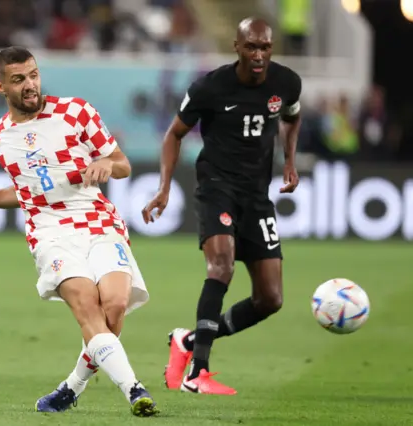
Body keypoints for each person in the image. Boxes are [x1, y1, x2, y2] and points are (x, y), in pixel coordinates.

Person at [0, 46, 158, 416]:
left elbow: (122, 164)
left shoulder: (76, 112)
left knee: (115, 306)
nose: (30, 85)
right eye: (19, 79)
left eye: (34, 75)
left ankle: (71, 387)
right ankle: (135, 390)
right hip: (50, 232)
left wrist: (105, 163)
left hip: (97, 218)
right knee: (87, 309)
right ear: (1, 88)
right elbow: (24, 192)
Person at [142, 17, 302, 395]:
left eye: (265, 47)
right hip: (217, 186)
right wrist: (164, 187)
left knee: (270, 299)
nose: (259, 55)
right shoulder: (210, 87)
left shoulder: (287, 83)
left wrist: (290, 161)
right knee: (222, 265)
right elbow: (174, 134)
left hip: (256, 196)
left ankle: (187, 341)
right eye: (251, 47)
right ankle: (198, 371)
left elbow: (292, 118)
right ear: (237, 47)